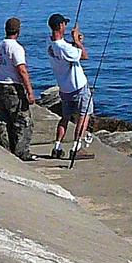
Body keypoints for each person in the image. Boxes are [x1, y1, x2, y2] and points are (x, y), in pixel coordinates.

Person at [0, 16, 38, 160]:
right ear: (18, 31)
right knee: (23, 121)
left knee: (3, 120)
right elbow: (22, 70)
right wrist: (30, 91)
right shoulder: (16, 48)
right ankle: (21, 151)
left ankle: (5, 149)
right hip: (12, 87)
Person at [45, 12, 91, 159]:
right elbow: (84, 56)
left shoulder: (50, 43)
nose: (65, 25)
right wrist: (78, 42)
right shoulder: (65, 48)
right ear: (60, 26)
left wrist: (74, 41)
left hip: (64, 89)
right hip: (78, 87)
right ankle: (76, 148)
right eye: (64, 23)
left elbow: (65, 49)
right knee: (84, 116)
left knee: (65, 118)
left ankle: (57, 147)